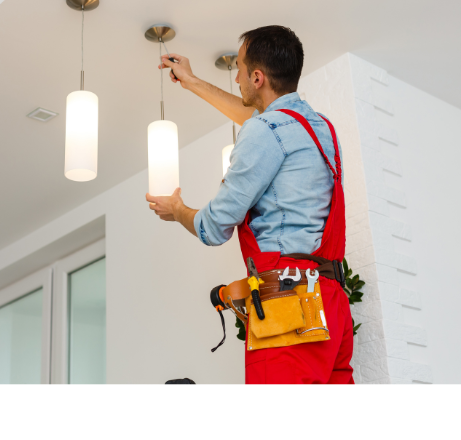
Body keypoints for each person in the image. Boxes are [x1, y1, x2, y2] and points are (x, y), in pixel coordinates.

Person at [146, 25, 354, 384]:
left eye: (240, 69)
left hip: (288, 304)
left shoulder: (265, 132)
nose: (236, 76)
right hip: (332, 303)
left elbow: (213, 228)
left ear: (257, 77)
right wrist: (193, 81)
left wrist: (177, 210)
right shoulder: (318, 127)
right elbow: (262, 124)